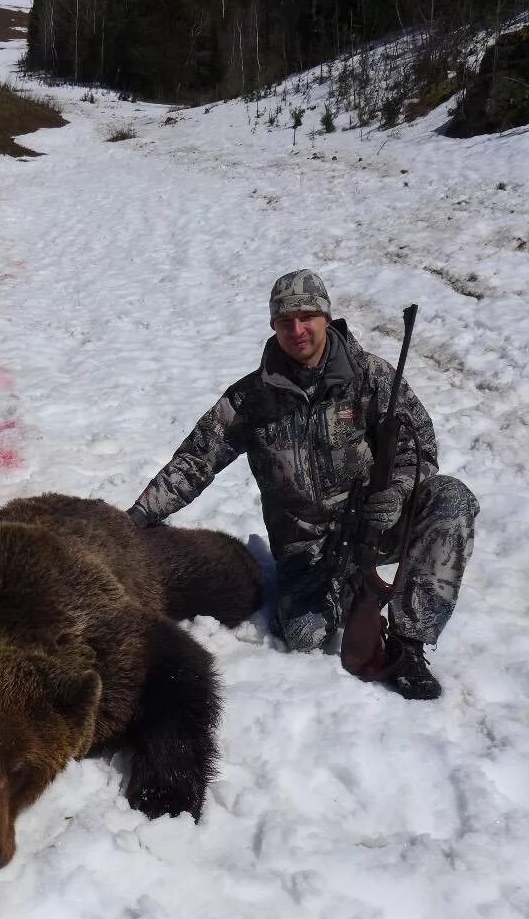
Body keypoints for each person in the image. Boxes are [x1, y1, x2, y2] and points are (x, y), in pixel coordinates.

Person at [126, 270, 479, 700]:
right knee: (304, 635)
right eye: (285, 320)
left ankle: (409, 644)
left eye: (307, 316)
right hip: (307, 548)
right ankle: (350, 588)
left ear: (326, 317)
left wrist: (399, 490)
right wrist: (134, 518)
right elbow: (195, 461)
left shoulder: (372, 376)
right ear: (273, 326)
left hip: (377, 525)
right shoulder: (250, 399)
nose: (297, 330)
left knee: (450, 498)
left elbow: (418, 446)